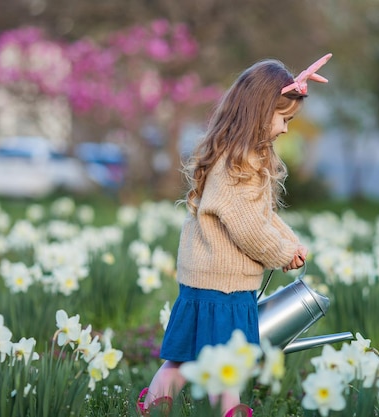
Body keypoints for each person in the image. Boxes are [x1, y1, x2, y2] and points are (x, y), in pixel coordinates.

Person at [138, 53, 332, 417]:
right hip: (218, 286)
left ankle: (160, 406)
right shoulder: (234, 165)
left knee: (189, 359)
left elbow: (264, 216)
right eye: (283, 118)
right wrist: (278, 254)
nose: (286, 129)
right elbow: (246, 225)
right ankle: (224, 411)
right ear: (259, 111)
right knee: (220, 359)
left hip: (223, 282)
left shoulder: (247, 159)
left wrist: (289, 245)